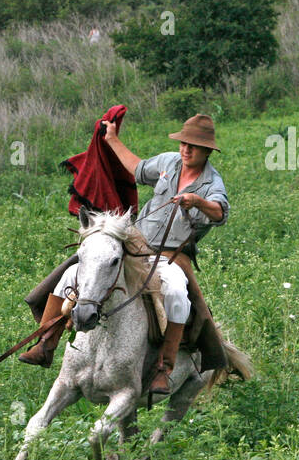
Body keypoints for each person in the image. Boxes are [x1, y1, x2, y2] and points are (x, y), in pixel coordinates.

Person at [23, 114, 229, 395]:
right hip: (135, 243)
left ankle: (163, 368)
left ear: (207, 150)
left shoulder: (211, 183)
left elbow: (219, 212)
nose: (186, 149)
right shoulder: (169, 162)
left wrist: (197, 201)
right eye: (184, 143)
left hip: (170, 255)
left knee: (178, 293)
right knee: (74, 271)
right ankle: (47, 342)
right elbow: (139, 168)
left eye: (193, 145)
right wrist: (112, 139)